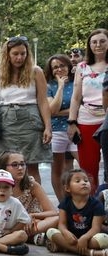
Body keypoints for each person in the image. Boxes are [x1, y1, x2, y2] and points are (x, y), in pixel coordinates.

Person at [0, 35, 52, 184]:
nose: (19, 58)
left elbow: (43, 101)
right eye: (15, 54)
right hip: (5, 121)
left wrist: (48, 127)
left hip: (30, 119)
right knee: (4, 165)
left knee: (31, 165)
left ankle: (34, 203)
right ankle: (6, 202)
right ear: (7, 55)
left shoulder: (36, 71)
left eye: (23, 53)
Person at [68, 29, 108, 191]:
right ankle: (91, 208)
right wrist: (72, 122)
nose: (98, 45)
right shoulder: (82, 67)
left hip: (107, 120)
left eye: (102, 41)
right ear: (89, 45)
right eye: (94, 42)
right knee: (88, 168)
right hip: (86, 119)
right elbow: (76, 97)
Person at [0, 151, 58, 246]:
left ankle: (26, 237)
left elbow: (53, 212)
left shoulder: (32, 185)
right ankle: (32, 237)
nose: (20, 168)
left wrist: (32, 215)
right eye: (15, 165)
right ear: (4, 168)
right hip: (8, 224)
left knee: (57, 218)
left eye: (22, 164)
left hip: (32, 224)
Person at [46, 168, 108, 256]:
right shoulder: (65, 202)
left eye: (86, 180)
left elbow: (96, 228)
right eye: (78, 181)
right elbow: (61, 224)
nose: (84, 183)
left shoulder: (96, 204)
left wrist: (85, 238)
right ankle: (91, 253)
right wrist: (66, 233)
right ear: (67, 188)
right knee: (50, 232)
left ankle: (65, 248)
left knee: (104, 238)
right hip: (71, 238)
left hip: (89, 238)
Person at [45, 54, 78, 202]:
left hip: (76, 129)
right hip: (57, 131)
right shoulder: (49, 86)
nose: (59, 69)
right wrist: (60, 86)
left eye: (62, 66)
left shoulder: (78, 81)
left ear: (68, 66)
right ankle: (63, 205)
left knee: (85, 165)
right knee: (57, 170)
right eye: (55, 67)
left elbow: (82, 105)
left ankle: (85, 202)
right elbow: (52, 110)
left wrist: (62, 111)